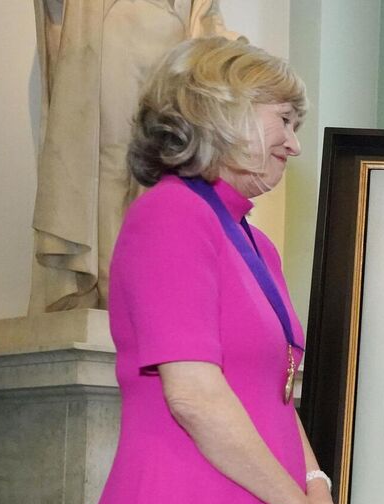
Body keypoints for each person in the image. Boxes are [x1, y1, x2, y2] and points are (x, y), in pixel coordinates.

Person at [66, 37, 351, 504]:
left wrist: (316, 489)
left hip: (259, 503)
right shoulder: (168, 216)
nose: (294, 144)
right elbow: (194, 395)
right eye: (285, 119)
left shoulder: (257, 243)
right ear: (221, 110)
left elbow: (274, 391)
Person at [32, 0, 236, 311]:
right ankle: (111, 297)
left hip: (175, 48)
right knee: (111, 168)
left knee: (165, 176)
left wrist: (231, 52)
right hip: (114, 34)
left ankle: (148, 292)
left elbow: (207, 13)